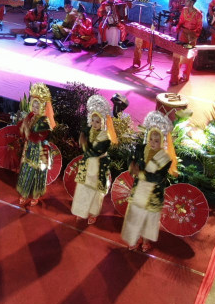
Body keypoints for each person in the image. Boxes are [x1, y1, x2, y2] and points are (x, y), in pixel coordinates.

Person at [120, 112, 177, 252]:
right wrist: (131, 166)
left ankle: (145, 241)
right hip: (139, 190)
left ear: (163, 141)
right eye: (151, 139)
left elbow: (159, 178)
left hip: (153, 194)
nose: (153, 142)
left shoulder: (166, 158)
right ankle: (133, 240)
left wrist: (140, 173)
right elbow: (131, 161)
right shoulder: (141, 149)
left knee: (148, 219)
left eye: (157, 141)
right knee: (135, 215)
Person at [71, 95, 117, 224]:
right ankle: (81, 211)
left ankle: (92, 213)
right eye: (93, 120)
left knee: (96, 192)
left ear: (103, 122)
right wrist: (82, 137)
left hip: (99, 166)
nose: (95, 124)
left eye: (98, 121)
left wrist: (84, 143)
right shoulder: (88, 129)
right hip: (87, 166)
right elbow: (82, 134)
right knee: (83, 188)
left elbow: (95, 151)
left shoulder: (106, 137)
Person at [16, 82, 55, 206]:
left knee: (39, 173)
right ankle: (24, 193)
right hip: (30, 149)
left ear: (43, 107)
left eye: (37, 107)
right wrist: (23, 127)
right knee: (27, 170)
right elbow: (22, 129)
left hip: (40, 151)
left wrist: (28, 132)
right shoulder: (31, 116)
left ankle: (36, 196)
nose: (35, 109)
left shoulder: (44, 121)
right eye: (33, 106)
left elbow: (39, 137)